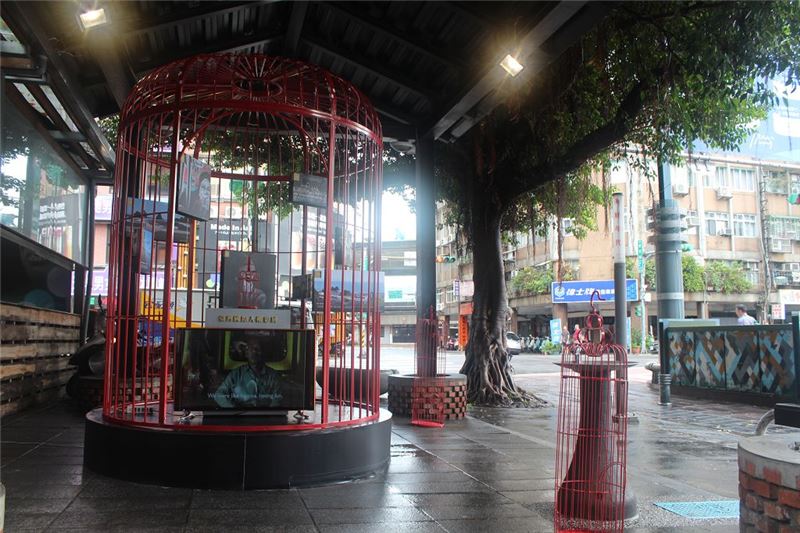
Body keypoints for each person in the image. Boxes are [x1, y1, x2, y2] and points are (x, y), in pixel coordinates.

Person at [214, 337, 283, 408]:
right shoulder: (236, 374)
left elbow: (277, 399)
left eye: (257, 349)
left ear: (263, 353)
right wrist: (234, 409)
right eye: (250, 349)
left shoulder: (273, 376)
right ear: (246, 354)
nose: (254, 352)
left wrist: (268, 413)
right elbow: (219, 394)